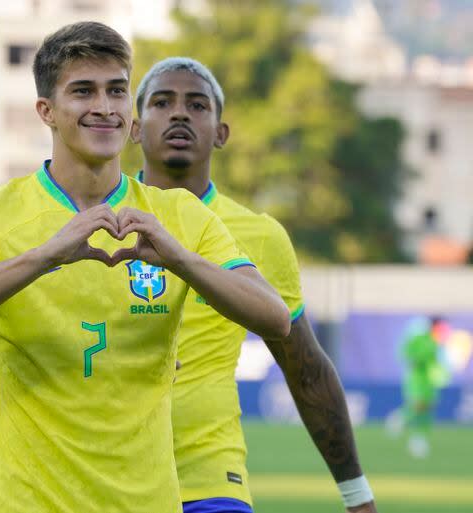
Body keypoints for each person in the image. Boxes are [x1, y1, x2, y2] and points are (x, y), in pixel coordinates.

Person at [0, 22, 290, 513]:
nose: (104, 107)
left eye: (116, 91)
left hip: (146, 503)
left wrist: (180, 260)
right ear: (46, 110)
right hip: (26, 502)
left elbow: (274, 316)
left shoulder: (179, 216)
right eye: (83, 91)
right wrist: (44, 256)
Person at [132, 57, 377, 513]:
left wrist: (357, 495)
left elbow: (305, 369)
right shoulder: (104, 221)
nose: (180, 113)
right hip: (109, 476)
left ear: (221, 133)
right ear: (134, 128)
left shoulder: (260, 235)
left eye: (198, 105)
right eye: (162, 103)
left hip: (210, 478)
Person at [396, 316, 448, 458]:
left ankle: (420, 438)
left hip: (429, 381)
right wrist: (417, 360)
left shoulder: (435, 341)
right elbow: (408, 354)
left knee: (428, 408)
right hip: (417, 379)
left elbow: (436, 361)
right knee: (418, 406)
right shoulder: (420, 338)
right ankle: (401, 421)